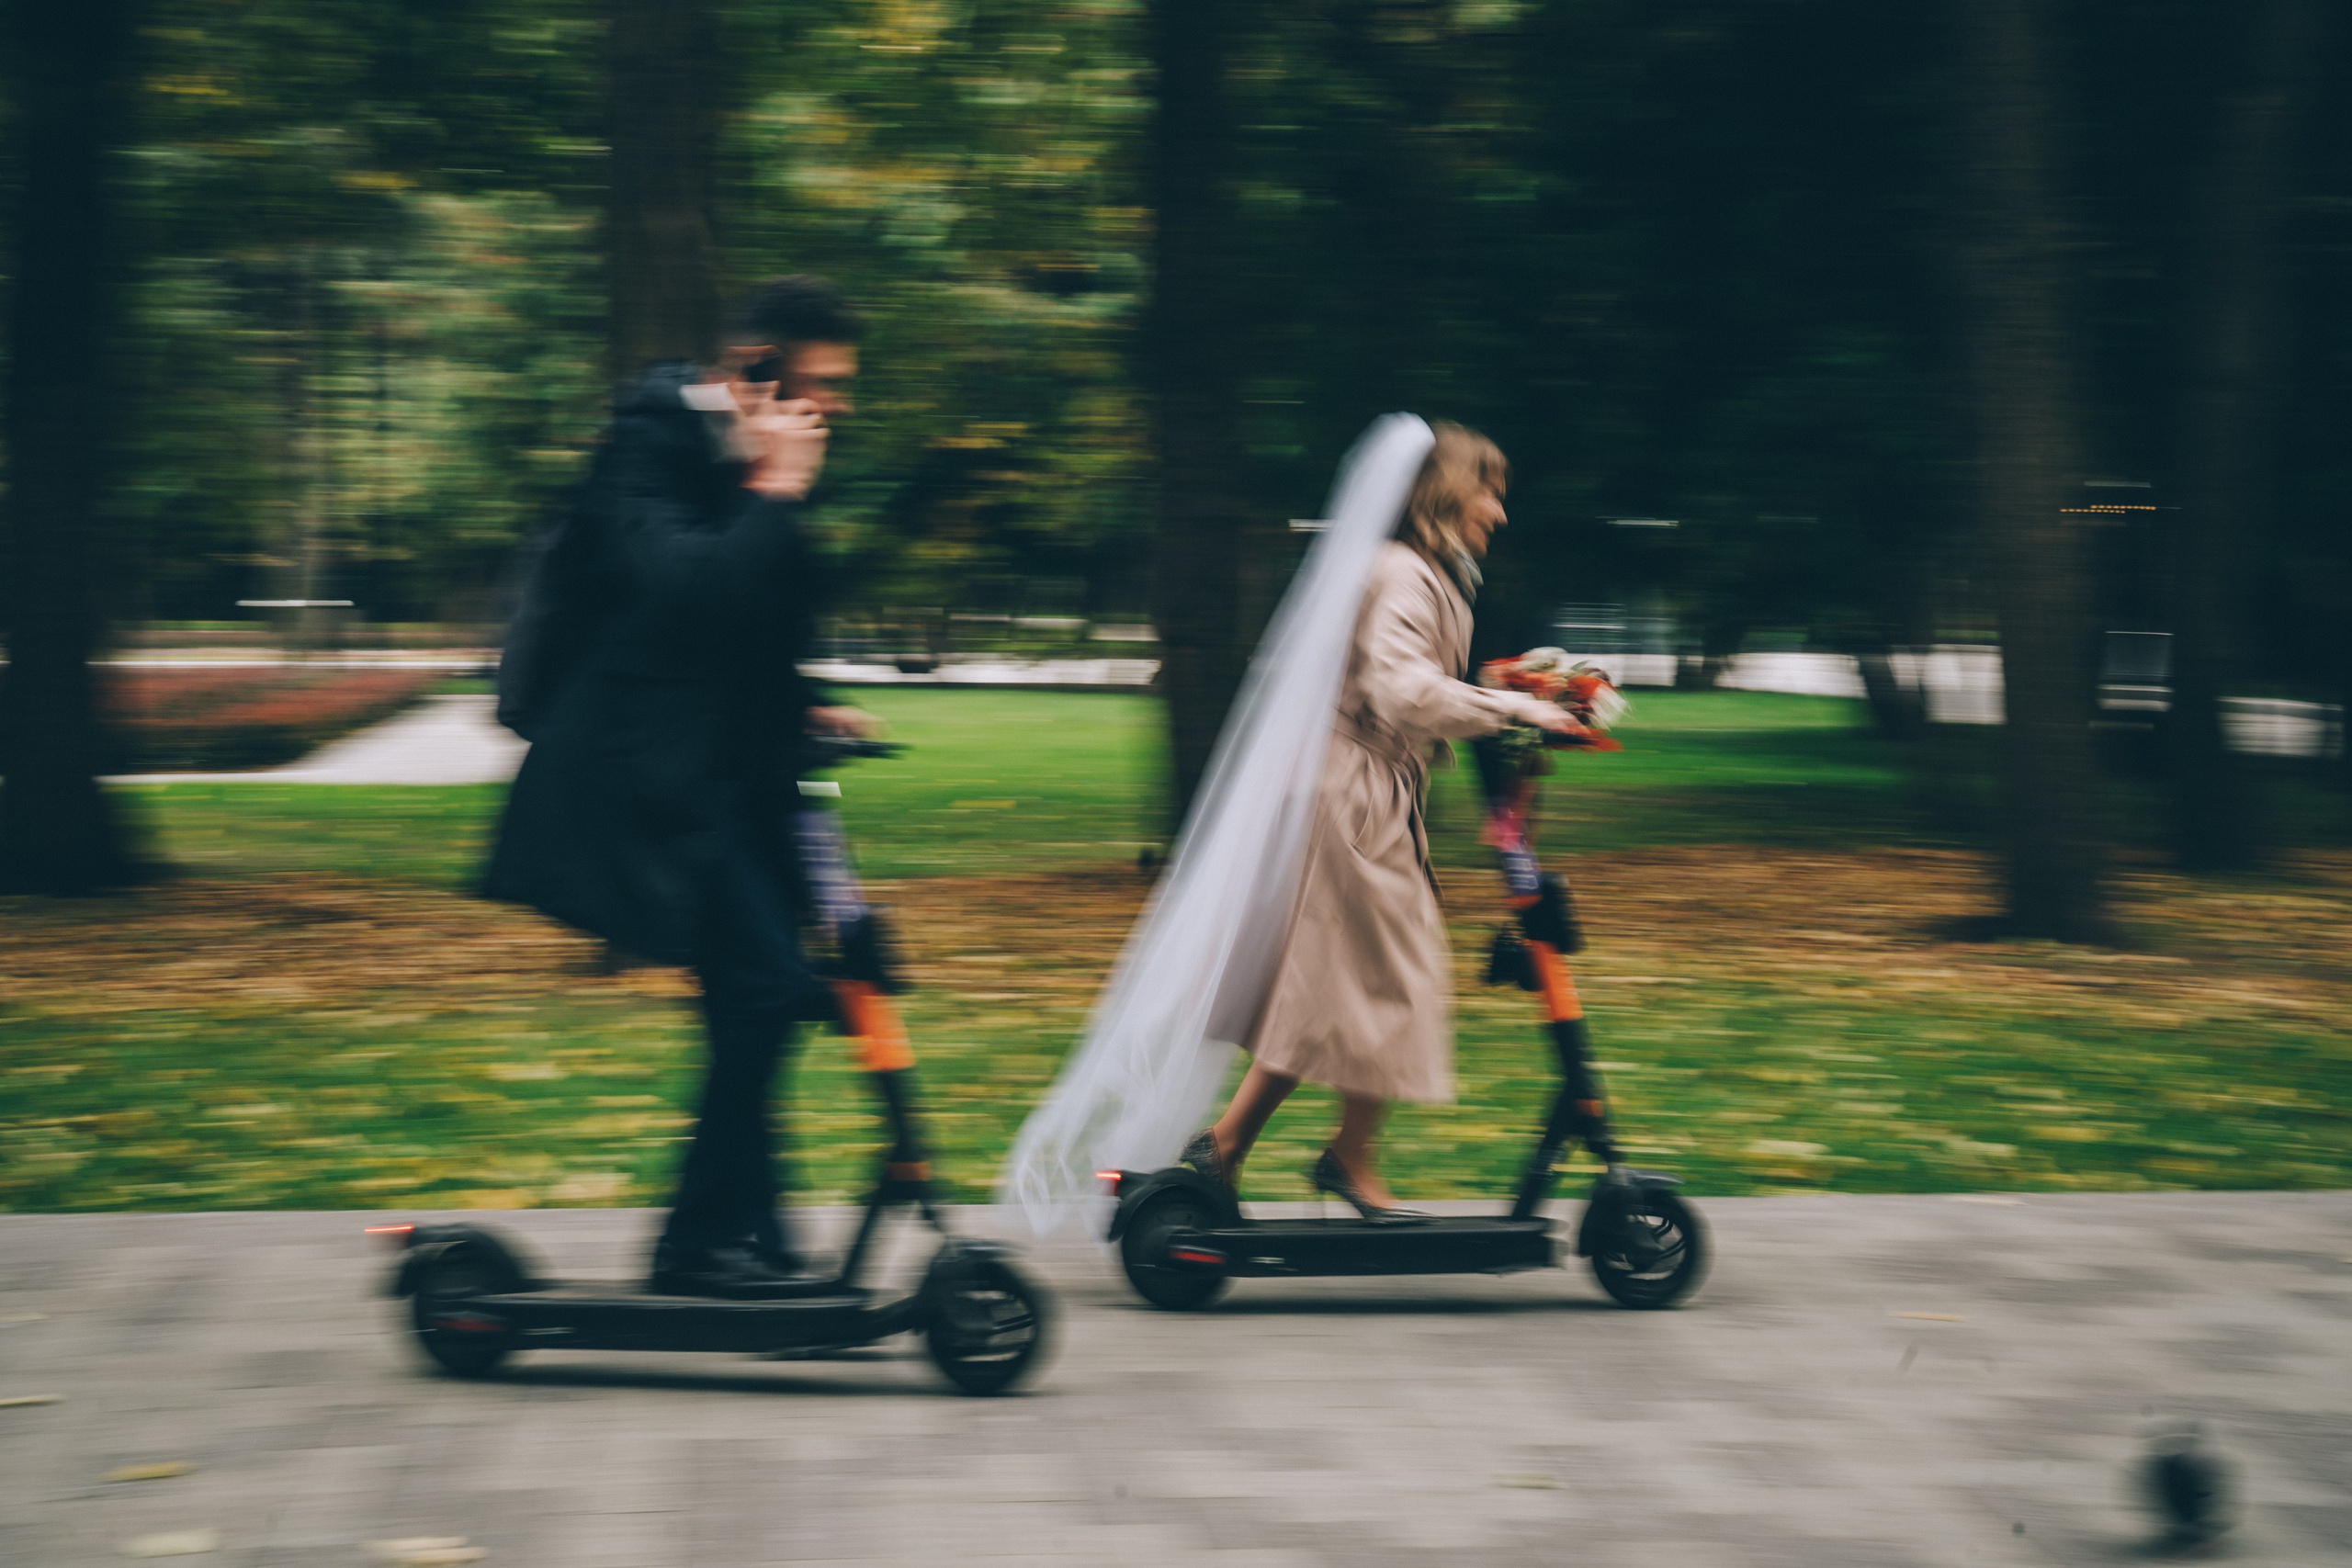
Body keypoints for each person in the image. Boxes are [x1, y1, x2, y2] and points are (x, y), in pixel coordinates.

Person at [483, 276, 874, 1297]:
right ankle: (699, 1245)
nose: (839, 406)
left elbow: (745, 625)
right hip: (639, 786)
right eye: (823, 385)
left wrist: (802, 700)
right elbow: (687, 589)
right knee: (765, 989)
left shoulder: (757, 454)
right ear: (753, 375)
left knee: (764, 997)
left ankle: (756, 1229)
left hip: (728, 780)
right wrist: (773, 489)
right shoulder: (648, 444)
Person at [1182, 423, 1570, 1216]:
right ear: (1439, 494)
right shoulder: (1403, 574)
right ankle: (1327, 1154)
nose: (1497, 510)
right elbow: (1401, 693)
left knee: (1339, 984)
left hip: (1366, 793)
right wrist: (1511, 706)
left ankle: (1237, 1148)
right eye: (1484, 489)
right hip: (1355, 797)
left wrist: (1514, 696)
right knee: (1392, 979)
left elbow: (1409, 679)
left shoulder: (1416, 572)